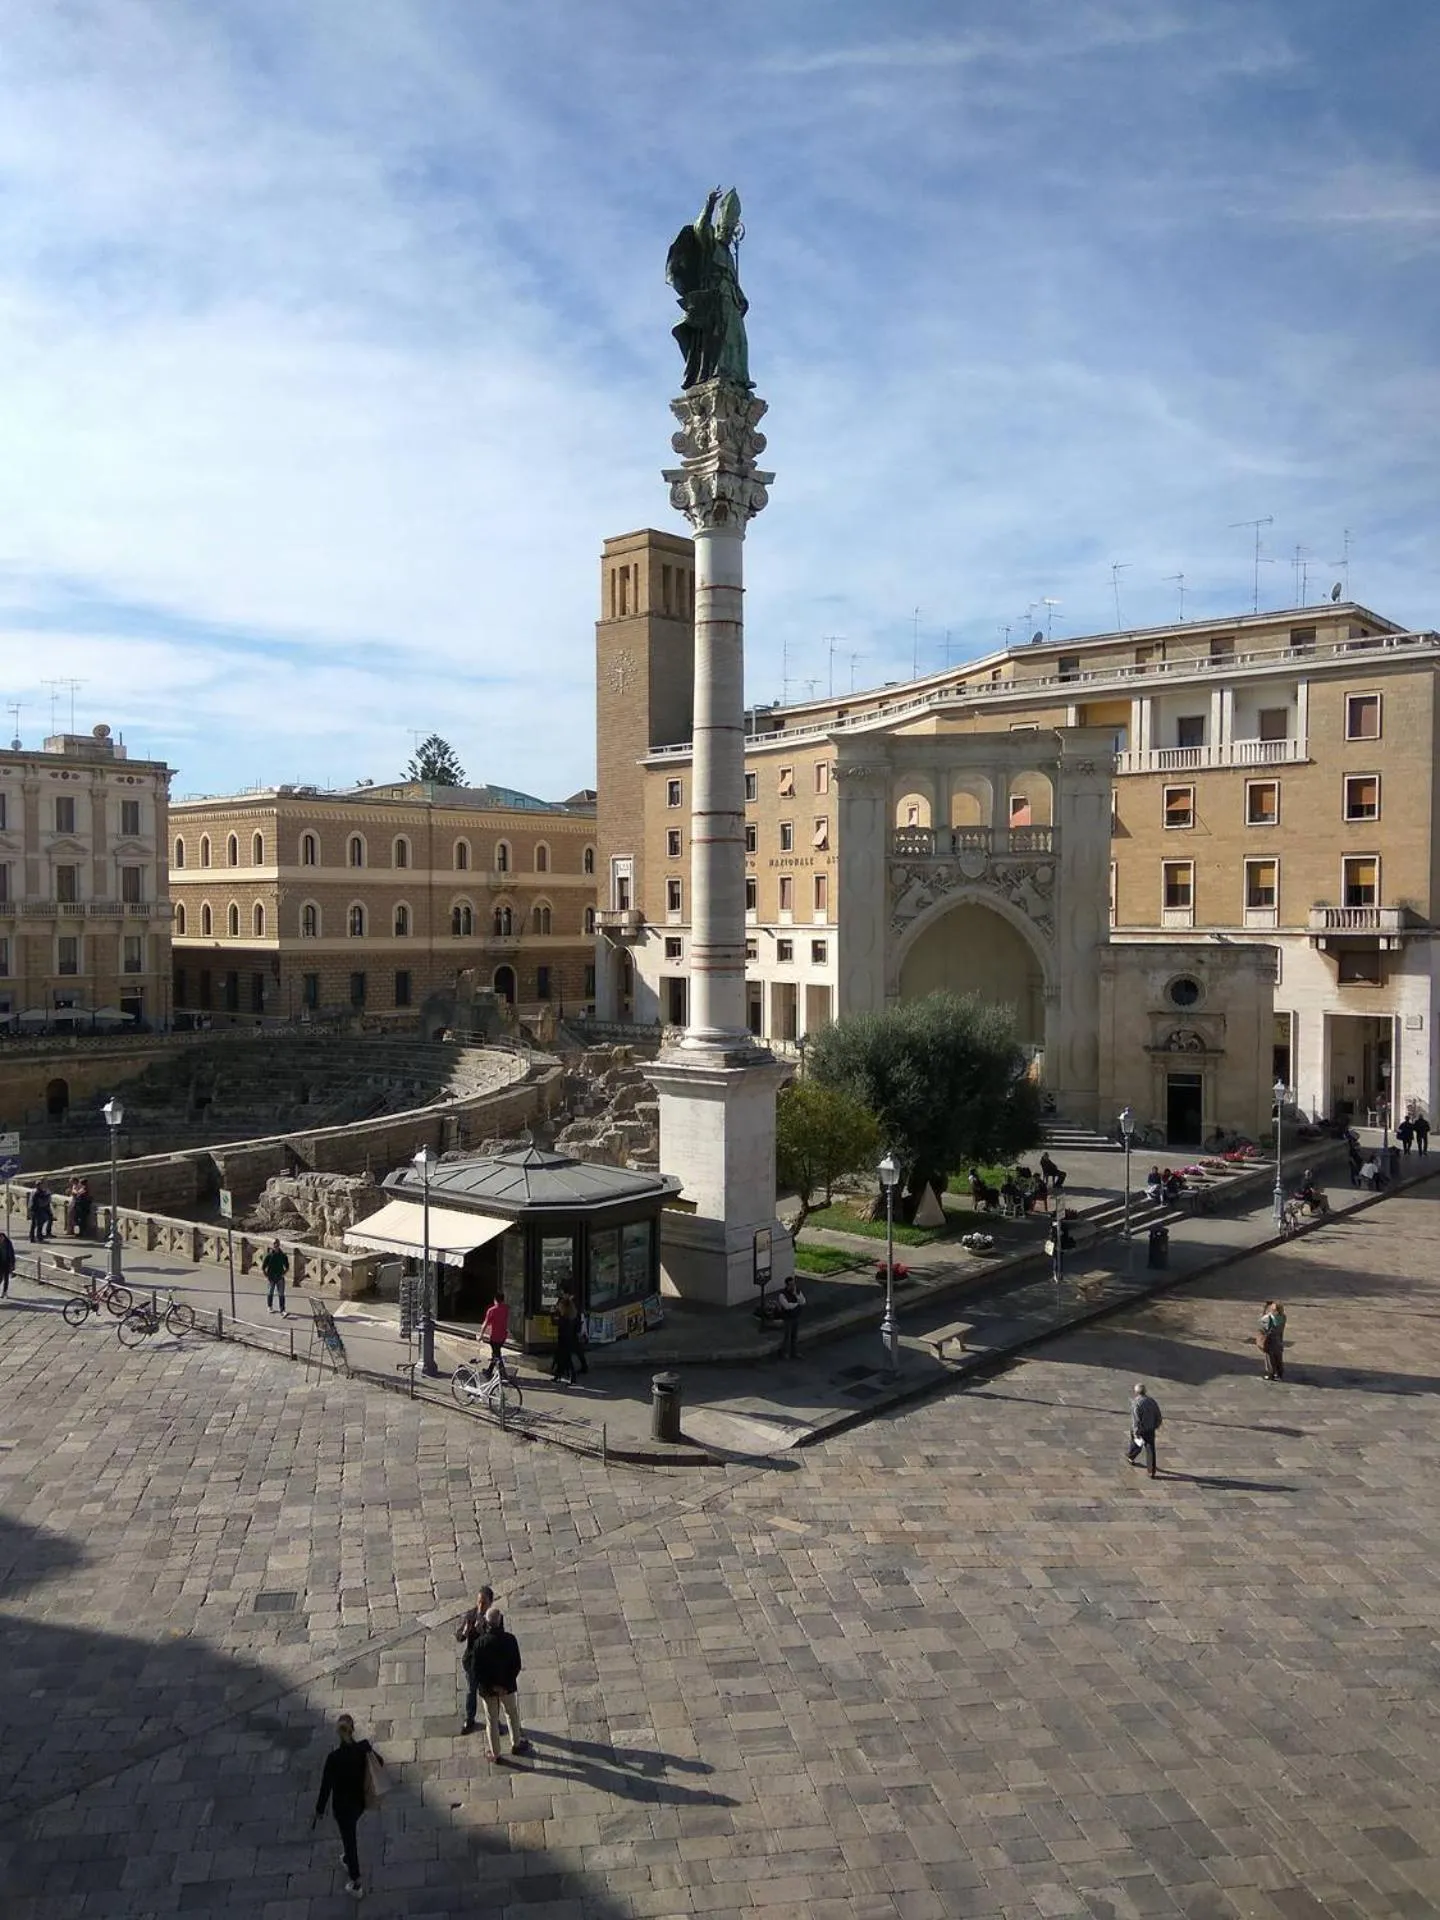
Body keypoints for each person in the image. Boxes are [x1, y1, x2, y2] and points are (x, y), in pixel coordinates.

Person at [313, 1712, 384, 1898]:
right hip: (359, 1803)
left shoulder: (333, 1759)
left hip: (342, 1809)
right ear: (353, 1730)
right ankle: (347, 1858)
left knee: (349, 1841)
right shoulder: (363, 1748)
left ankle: (356, 1883)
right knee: (349, 1837)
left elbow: (325, 1787)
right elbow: (380, 1762)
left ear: (338, 1733)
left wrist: (320, 1810)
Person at [467, 1604, 530, 1763]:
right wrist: (504, 1686)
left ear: (487, 1623)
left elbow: (476, 1671)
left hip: (488, 1691)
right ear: (500, 1621)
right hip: (507, 1688)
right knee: (511, 1713)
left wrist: (491, 1686)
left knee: (491, 1720)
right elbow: (516, 1665)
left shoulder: (480, 1644)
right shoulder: (510, 1640)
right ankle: (516, 1743)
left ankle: (495, 1754)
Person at [456, 1584, 496, 1734]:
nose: (480, 1605)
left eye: (484, 1602)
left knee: (490, 1694)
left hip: (487, 1664)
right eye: (479, 1601)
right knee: (470, 1691)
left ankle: (493, 1721)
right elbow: (459, 1636)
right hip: (472, 1662)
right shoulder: (471, 1615)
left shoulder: (494, 1617)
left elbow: (495, 1639)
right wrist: (465, 1633)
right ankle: (470, 1718)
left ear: (491, 1603)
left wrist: (482, 1630)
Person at [1126, 1382, 1162, 1478]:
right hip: (1150, 1428)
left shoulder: (1136, 1403)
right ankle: (1151, 1471)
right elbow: (1158, 1414)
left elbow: (1136, 1419)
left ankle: (1131, 1456)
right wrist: (1156, 1425)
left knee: (1136, 1442)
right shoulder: (1152, 1401)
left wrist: (1136, 1431)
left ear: (1136, 1392)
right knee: (1150, 1449)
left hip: (1141, 1429)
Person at [552, 1291, 579, 1386]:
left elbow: (556, 1323)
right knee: (562, 1358)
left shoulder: (565, 1318)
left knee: (566, 1359)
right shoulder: (571, 1317)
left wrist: (555, 1315)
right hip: (567, 1339)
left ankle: (572, 1377)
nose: (558, 1307)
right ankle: (559, 1375)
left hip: (564, 1340)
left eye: (560, 1306)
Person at [479, 1293, 509, 1380]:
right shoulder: (506, 1309)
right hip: (503, 1336)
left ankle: (503, 1374)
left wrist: (481, 1335)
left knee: (497, 1355)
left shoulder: (491, 1310)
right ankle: (489, 1371)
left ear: (495, 1300)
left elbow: (485, 1324)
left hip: (494, 1337)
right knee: (496, 1354)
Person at [776, 1275, 805, 1359]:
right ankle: (784, 1353)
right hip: (788, 1318)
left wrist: (796, 1295)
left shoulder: (797, 1291)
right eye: (791, 1285)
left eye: (793, 1284)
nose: (793, 1286)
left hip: (796, 1316)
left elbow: (803, 1301)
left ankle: (794, 1352)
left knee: (794, 1336)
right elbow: (787, 1306)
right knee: (787, 1336)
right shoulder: (782, 1295)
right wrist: (797, 1303)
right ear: (787, 1285)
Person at [1257, 1300, 1286, 1381]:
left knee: (1270, 1358)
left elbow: (1261, 1322)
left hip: (1270, 1340)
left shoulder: (1269, 1318)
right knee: (1278, 1358)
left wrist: (1264, 1310)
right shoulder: (1283, 1317)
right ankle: (1279, 1374)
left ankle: (1271, 1374)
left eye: (1272, 1309)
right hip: (1278, 1340)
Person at [262, 1238, 289, 1314]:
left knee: (281, 1294)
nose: (276, 1246)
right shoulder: (269, 1256)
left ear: (279, 1245)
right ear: (273, 1245)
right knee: (270, 1292)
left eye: (277, 1244)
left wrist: (283, 1273)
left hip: (280, 1277)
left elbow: (287, 1266)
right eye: (274, 1244)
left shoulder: (282, 1255)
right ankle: (269, 1306)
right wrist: (266, 1275)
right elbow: (263, 1267)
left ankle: (282, 1309)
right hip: (271, 1277)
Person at [0, 1227, 14, 1298]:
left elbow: (11, 1254)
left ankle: (5, 1292)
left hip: (7, 1263)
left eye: (1, 1238)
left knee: (6, 1279)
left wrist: (12, 1265)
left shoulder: (8, 1243)